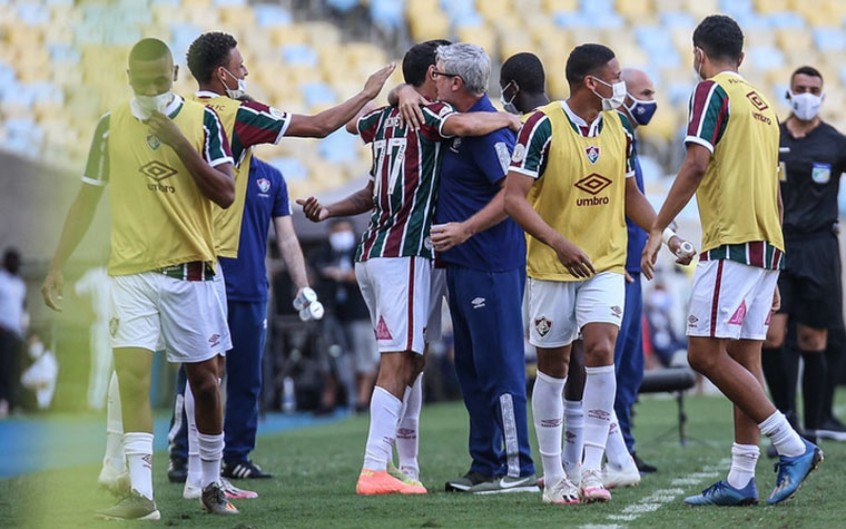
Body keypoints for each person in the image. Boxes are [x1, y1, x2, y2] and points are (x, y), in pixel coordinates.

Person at [162, 30, 394, 489]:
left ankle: (188, 464)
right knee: (212, 372)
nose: (246, 72)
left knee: (201, 369)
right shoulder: (234, 113)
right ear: (222, 73)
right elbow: (320, 126)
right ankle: (199, 469)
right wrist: (368, 93)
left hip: (183, 254)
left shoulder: (183, 114)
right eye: (240, 65)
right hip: (221, 257)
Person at [299, 39, 520, 495]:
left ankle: (409, 467)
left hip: (373, 251)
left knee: (414, 358)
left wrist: (332, 209)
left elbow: (370, 175)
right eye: (437, 72)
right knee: (401, 360)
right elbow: (464, 122)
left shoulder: (380, 121)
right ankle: (375, 467)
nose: (441, 79)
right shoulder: (431, 116)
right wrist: (511, 118)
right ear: (430, 80)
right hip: (407, 253)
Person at [42, 38, 238, 519]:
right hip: (129, 272)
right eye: (141, 81)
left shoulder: (203, 120)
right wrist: (56, 264)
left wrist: (176, 141)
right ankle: (143, 496)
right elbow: (87, 199)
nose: (151, 88)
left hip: (191, 271)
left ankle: (211, 482)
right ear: (128, 79)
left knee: (205, 383)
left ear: (174, 73)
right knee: (131, 379)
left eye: (159, 79)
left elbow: (226, 193)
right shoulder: (110, 126)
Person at [642, 15, 823, 506]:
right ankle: (742, 479)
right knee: (744, 359)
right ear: (741, 58)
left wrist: (658, 226)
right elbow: (775, 191)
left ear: (698, 54)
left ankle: (792, 444)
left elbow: (696, 163)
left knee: (703, 355)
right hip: (766, 244)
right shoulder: (763, 104)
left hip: (733, 243)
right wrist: (775, 261)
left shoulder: (711, 92)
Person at [504, 44, 687, 505]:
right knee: (554, 367)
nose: (621, 84)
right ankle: (554, 476)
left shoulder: (621, 128)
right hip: (551, 266)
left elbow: (630, 196)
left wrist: (665, 231)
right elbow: (514, 198)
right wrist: (558, 242)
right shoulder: (541, 126)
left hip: (604, 262)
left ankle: (590, 469)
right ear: (592, 82)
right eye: (617, 75)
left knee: (601, 349)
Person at [421, 42, 536, 494]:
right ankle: (485, 462)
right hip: (465, 265)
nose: (433, 77)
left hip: (491, 264)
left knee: (500, 365)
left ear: (455, 83)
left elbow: (512, 197)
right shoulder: (460, 124)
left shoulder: (490, 136)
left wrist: (467, 229)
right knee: (470, 366)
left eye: (440, 71)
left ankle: (518, 465)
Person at [498, 52, 586, 487]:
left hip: (553, 259)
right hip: (583, 255)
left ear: (511, 88)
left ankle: (572, 464)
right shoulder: (566, 123)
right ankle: (578, 462)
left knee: (567, 360)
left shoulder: (539, 127)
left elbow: (510, 197)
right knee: (583, 359)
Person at [762, 65, 846, 447]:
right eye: (800, 88)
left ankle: (813, 424)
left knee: (814, 339)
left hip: (819, 246)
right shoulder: (770, 137)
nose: (807, 95)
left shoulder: (835, 142)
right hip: (780, 246)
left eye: (814, 88)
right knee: (772, 336)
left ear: (823, 95)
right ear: (789, 93)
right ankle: (784, 418)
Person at [603, 67, 661, 482]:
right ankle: (611, 448)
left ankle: (624, 445)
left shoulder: (628, 138)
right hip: (619, 269)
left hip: (632, 269)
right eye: (645, 93)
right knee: (613, 363)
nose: (651, 102)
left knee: (631, 366)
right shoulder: (612, 136)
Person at [311, 219, 379, 413]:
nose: (340, 236)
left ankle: (361, 400)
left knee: (364, 357)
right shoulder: (323, 253)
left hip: (360, 311)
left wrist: (341, 275)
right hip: (331, 313)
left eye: (344, 231)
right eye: (336, 231)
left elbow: (367, 275)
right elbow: (315, 272)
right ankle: (329, 399)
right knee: (329, 358)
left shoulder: (364, 249)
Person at [75, 266, 112, 411]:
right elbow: (76, 290)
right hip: (101, 325)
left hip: (121, 326)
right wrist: (88, 311)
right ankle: (95, 403)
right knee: (100, 364)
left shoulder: (124, 275)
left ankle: (114, 404)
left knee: (117, 367)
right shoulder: (95, 275)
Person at [0, 248, 26, 418]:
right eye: (13, 261)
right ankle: (2, 402)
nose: (16, 265)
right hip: (3, 330)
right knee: (3, 368)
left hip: (17, 333)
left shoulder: (20, 283)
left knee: (15, 369)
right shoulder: (1, 280)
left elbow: (23, 306)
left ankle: (13, 403)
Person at [20, 332, 58, 411]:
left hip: (39, 402)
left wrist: (25, 384)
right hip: (30, 398)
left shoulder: (48, 360)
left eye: (35, 342)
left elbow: (44, 384)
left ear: (41, 343)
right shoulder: (34, 363)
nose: (32, 346)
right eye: (30, 343)